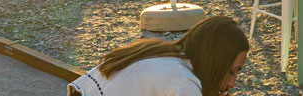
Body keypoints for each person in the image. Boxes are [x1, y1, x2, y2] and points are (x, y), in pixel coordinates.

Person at [71, 14, 249, 96]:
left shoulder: (163, 54)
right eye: (231, 71)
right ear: (213, 61)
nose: (233, 82)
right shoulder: (184, 83)